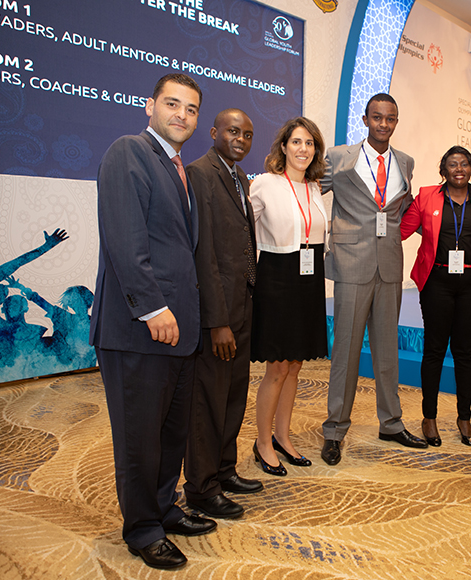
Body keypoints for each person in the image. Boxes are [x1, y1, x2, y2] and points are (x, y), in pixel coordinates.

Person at [89, 73, 214, 570]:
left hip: (178, 331)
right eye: (172, 104)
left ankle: (163, 508)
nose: (182, 115)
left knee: (169, 433)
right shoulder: (129, 152)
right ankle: (141, 528)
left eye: (191, 108)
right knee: (139, 437)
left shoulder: (178, 167)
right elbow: (124, 238)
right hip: (140, 328)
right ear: (150, 106)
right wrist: (151, 307)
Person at [321, 93, 425, 466]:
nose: (384, 124)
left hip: (389, 266)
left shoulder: (405, 163)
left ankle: (391, 423)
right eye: (377, 118)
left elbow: (399, 208)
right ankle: (334, 429)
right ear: (365, 120)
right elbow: (311, 195)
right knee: (346, 353)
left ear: (396, 121)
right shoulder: (338, 157)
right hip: (351, 264)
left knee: (387, 352)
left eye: (390, 118)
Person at [182, 108, 262, 519]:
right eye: (233, 131)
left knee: (233, 395)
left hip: (243, 302)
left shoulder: (239, 176)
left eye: (247, 134)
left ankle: (224, 469)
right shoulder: (199, 173)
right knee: (208, 400)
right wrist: (217, 322)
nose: (241, 140)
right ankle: (200, 486)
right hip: (219, 315)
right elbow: (204, 252)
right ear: (213, 132)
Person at [400, 146, 471, 446]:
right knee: (434, 350)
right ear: (443, 170)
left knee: (465, 353)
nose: (459, 169)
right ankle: (428, 417)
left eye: (465, 164)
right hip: (436, 282)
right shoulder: (428, 196)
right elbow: (403, 229)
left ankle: (464, 417)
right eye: (452, 164)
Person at [249, 117, 329, 475]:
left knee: (295, 365)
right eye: (296, 142)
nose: (303, 149)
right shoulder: (265, 184)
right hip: (278, 278)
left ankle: (283, 436)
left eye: (309, 143)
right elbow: (241, 227)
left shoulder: (315, 188)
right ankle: (262, 442)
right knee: (277, 367)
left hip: (309, 281)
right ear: (283, 146)